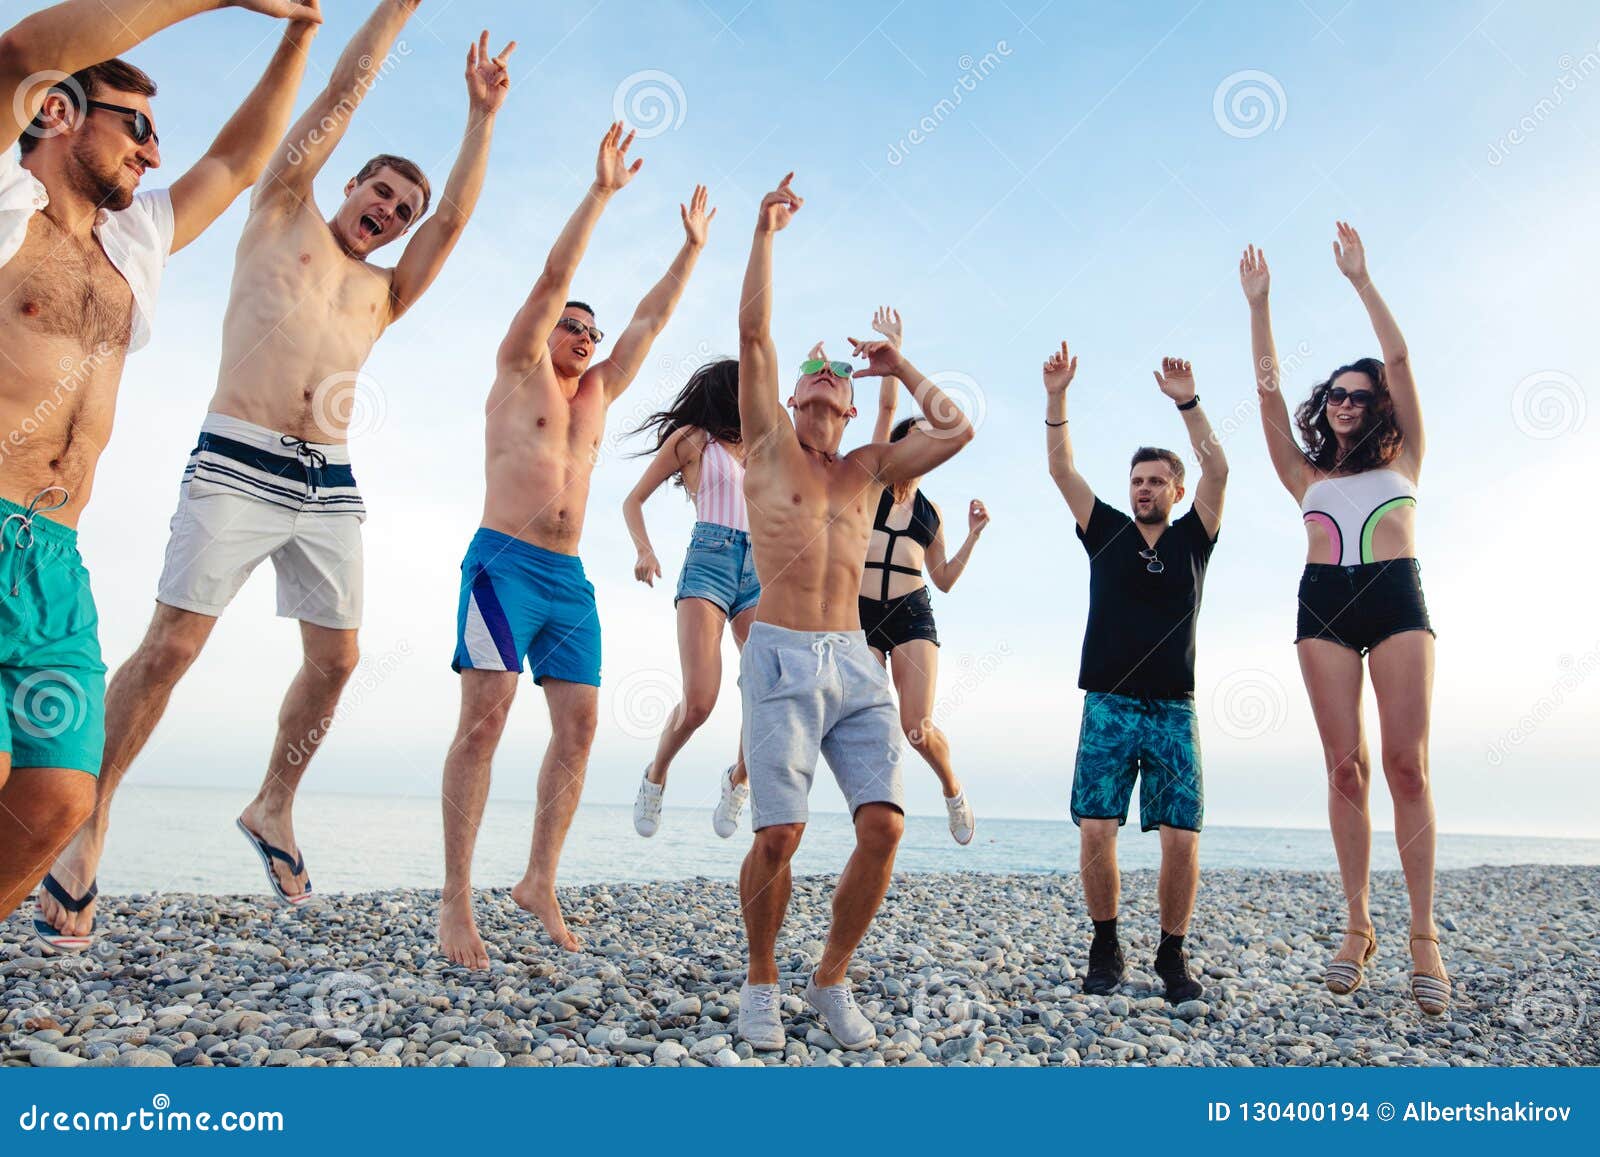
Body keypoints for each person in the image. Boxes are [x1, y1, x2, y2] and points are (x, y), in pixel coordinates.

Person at [36, 0, 513, 944]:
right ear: (351, 182)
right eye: (380, 193)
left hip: (328, 480)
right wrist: (401, 9)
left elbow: (455, 218)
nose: (389, 214)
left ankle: (272, 804)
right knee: (173, 646)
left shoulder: (387, 290)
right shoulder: (284, 209)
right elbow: (340, 92)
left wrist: (483, 119)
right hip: (236, 458)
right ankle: (89, 821)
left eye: (401, 212)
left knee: (336, 661)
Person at [0, 0, 325, 945]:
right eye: (135, 124)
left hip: (52, 556)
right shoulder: (5, 199)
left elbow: (237, 159)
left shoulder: (130, 243)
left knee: (60, 793)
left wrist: (298, 31)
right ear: (59, 111)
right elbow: (20, 48)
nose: (152, 151)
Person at [437, 128, 713, 969]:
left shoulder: (597, 391)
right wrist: (599, 196)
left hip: (567, 578)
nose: (587, 333)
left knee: (582, 726)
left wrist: (690, 249)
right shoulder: (519, 369)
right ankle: (455, 899)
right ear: (546, 329)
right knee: (484, 724)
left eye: (592, 329)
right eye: (574, 324)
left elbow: (651, 320)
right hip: (501, 564)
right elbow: (554, 280)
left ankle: (538, 879)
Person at [733, 174, 975, 1052]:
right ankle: (761, 979)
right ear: (795, 402)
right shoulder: (768, 448)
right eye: (817, 388)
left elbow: (955, 432)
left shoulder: (870, 467)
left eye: (839, 388)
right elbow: (753, 331)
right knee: (781, 835)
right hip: (783, 651)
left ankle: (828, 977)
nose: (830, 395)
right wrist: (765, 231)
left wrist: (900, 365)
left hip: (855, 656)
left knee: (884, 825)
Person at [1240, 228, 1447, 1015]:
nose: (1350, 402)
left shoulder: (1408, 458)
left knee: (1407, 766)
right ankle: (1357, 922)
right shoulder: (1306, 473)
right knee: (1344, 767)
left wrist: (1362, 279)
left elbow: (1400, 361)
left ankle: (1422, 933)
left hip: (1397, 598)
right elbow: (1265, 394)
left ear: (1381, 405)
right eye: (1338, 394)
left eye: (1362, 394)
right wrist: (1261, 306)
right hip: (1323, 603)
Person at [1043, 340, 1228, 1003]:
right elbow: (1062, 469)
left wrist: (1188, 402)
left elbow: (1219, 466)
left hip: (1173, 705)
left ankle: (1173, 956)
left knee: (1181, 834)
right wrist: (1058, 395)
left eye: (1156, 481)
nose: (1144, 488)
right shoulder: (1108, 530)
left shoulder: (1193, 536)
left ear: (1176, 491)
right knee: (1098, 826)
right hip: (1109, 702)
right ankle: (1105, 943)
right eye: (1138, 480)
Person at [858, 305, 988, 845]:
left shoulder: (931, 514)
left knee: (917, 727)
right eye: (914, 440)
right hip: (859, 614)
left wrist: (973, 536)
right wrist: (893, 351)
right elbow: (887, 410)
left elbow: (946, 579)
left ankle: (952, 790)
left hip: (911, 612)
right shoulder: (870, 483)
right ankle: (875, 816)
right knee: (864, 718)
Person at [622, 355, 758, 840]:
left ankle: (738, 779)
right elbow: (632, 499)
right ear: (729, 389)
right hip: (710, 561)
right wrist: (644, 549)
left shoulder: (766, 448)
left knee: (767, 689)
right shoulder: (694, 440)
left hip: (760, 569)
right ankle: (656, 774)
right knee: (700, 701)